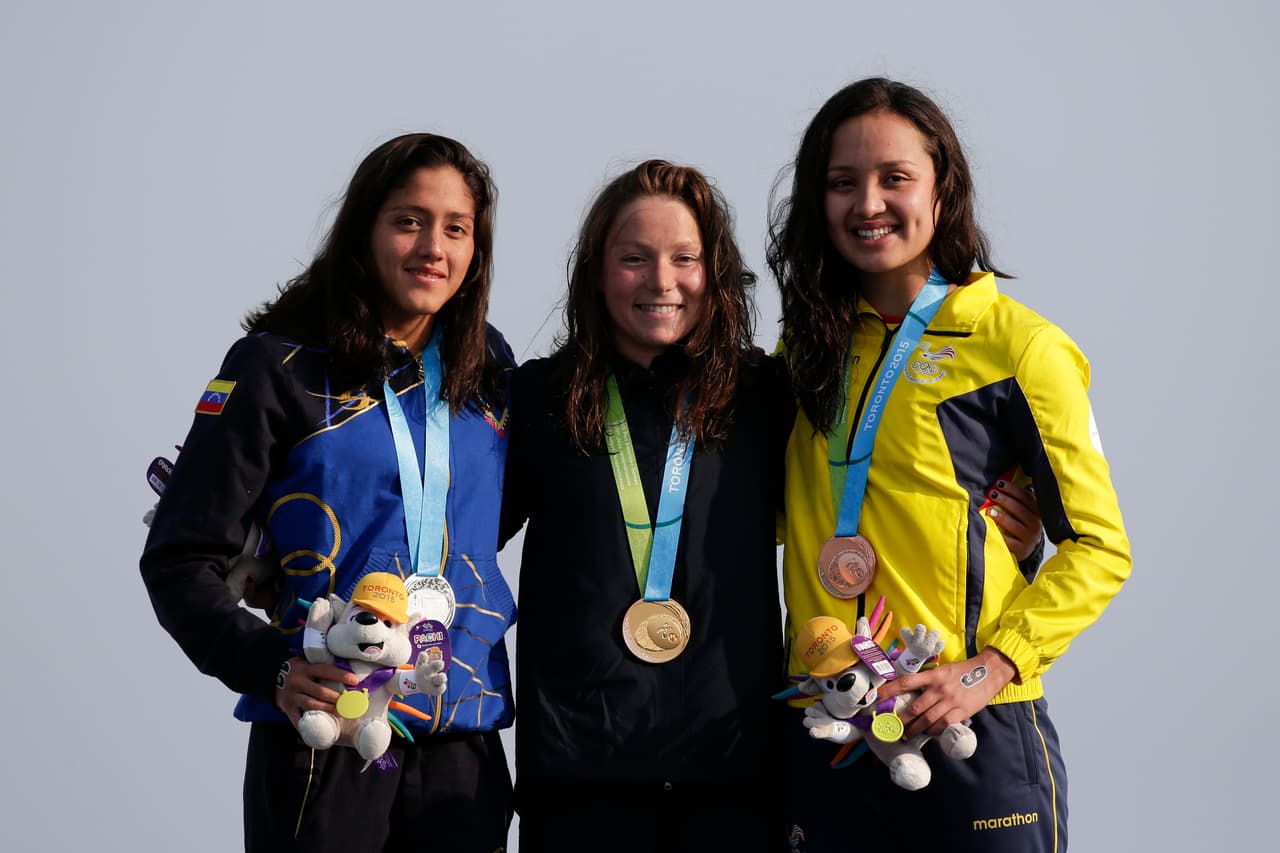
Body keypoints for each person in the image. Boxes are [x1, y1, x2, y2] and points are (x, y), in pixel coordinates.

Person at [769, 77, 1131, 851]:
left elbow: (1101, 548)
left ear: (943, 190)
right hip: (829, 727)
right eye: (842, 182)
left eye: (895, 178)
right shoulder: (803, 350)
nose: (868, 203)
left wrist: (989, 668)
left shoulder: (1017, 346)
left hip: (978, 728)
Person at [140, 133, 516, 852]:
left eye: (456, 228)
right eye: (408, 220)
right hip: (321, 733)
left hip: (460, 728)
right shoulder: (276, 366)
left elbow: (479, 516)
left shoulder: (488, 366)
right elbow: (178, 557)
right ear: (364, 230)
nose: (433, 246)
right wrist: (273, 665)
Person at [499, 160, 793, 852]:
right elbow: (453, 536)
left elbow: (870, 509)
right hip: (581, 781)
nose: (662, 282)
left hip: (737, 778)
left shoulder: (766, 397)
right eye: (634, 259)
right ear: (596, 273)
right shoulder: (540, 398)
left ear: (714, 273)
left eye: (685, 258)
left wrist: (1004, 527)